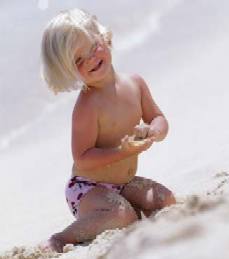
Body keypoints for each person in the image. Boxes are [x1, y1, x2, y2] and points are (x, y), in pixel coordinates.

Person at [40, 8, 176, 253]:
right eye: (78, 60)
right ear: (68, 71)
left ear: (104, 38)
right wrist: (122, 152)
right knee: (121, 216)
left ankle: (128, 214)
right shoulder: (87, 106)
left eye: (93, 47)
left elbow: (158, 118)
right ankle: (60, 238)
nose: (91, 59)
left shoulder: (135, 83)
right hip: (88, 187)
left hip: (122, 182)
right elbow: (82, 158)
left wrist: (154, 131)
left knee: (166, 200)